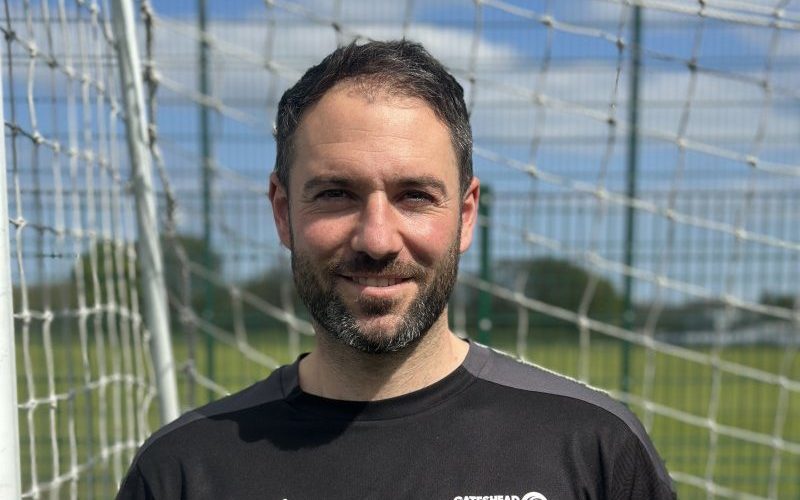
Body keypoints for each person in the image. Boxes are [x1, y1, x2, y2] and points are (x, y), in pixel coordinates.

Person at [117, 40, 675, 500]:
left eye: (415, 196)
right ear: (283, 212)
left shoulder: (594, 448)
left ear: (465, 215)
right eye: (336, 194)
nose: (377, 240)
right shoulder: (181, 470)